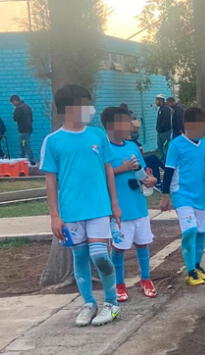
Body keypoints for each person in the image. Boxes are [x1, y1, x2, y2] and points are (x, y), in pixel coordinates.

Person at [40, 84, 121, 326]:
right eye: (84, 104)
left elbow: (108, 170)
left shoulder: (97, 135)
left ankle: (111, 303)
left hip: (99, 208)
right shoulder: (53, 141)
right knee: (81, 257)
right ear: (69, 109)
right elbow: (50, 180)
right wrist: (54, 215)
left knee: (100, 256)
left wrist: (115, 204)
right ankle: (88, 303)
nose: (89, 109)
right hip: (71, 212)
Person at [102, 107, 158, 302]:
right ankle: (118, 283)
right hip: (119, 210)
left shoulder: (133, 146)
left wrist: (149, 179)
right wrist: (121, 168)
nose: (131, 125)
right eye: (126, 122)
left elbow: (141, 171)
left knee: (143, 244)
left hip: (139, 205)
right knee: (119, 248)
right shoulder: (103, 147)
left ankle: (146, 279)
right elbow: (100, 176)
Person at [159, 107, 205, 286]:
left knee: (201, 233)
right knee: (189, 230)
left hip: (201, 195)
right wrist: (165, 195)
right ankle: (190, 271)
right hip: (182, 195)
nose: (203, 129)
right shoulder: (176, 145)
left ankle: (197, 265)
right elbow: (168, 171)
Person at [10, 95, 34, 165]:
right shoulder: (27, 106)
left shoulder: (19, 108)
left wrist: (14, 111)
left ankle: (30, 160)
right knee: (23, 144)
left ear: (15, 101)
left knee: (25, 144)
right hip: (28, 129)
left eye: (12, 103)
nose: (13, 104)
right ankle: (23, 158)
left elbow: (15, 118)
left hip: (23, 130)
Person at [155, 94, 174, 160]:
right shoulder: (161, 108)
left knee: (165, 147)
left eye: (157, 100)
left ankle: (166, 161)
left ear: (161, 100)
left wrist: (160, 129)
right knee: (159, 146)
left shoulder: (165, 109)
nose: (156, 102)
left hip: (165, 133)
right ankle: (162, 159)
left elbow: (165, 122)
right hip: (160, 132)